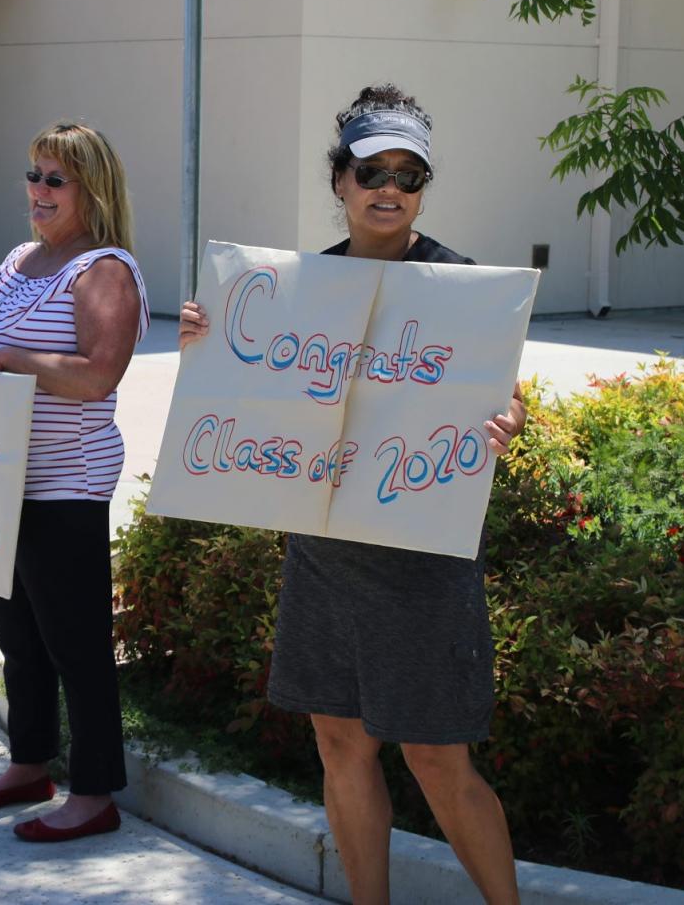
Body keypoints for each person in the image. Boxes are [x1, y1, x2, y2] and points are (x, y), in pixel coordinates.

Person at [179, 84, 527, 905]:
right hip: (324, 553)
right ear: (338, 180)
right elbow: (246, 393)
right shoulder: (298, 288)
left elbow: (501, 396)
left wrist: (507, 421)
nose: (389, 188)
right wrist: (209, 341)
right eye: (371, 169)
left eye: (407, 176)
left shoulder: (458, 284)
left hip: (421, 560)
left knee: (438, 759)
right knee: (338, 743)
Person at [0, 122, 149, 842]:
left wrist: (6, 357)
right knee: (18, 636)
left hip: (64, 484)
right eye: (32, 175)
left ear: (93, 189)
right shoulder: (18, 260)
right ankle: (29, 762)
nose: (38, 190)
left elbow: (97, 376)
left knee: (75, 644)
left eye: (55, 180)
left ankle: (94, 793)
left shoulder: (104, 270)